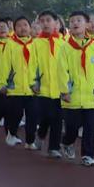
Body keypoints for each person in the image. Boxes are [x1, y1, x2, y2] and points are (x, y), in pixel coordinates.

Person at [58, 11, 94, 166]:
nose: (75, 23)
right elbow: (61, 71)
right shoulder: (65, 48)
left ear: (87, 24)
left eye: (79, 20)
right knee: (72, 128)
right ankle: (67, 142)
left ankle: (88, 155)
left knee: (90, 128)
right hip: (72, 96)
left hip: (90, 96)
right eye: (72, 21)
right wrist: (64, 91)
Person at [29, 10, 65, 158]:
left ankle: (54, 147)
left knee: (57, 118)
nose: (45, 23)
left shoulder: (64, 43)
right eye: (42, 21)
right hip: (42, 88)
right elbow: (32, 64)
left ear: (56, 23)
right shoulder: (36, 43)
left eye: (48, 20)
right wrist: (33, 82)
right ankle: (41, 134)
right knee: (46, 116)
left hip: (60, 89)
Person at [0, 16, 37, 148]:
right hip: (15, 87)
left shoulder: (35, 44)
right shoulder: (10, 44)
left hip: (32, 87)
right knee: (16, 114)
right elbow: (5, 65)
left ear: (30, 27)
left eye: (25, 25)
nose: (23, 28)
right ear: (14, 29)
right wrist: (2, 83)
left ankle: (30, 141)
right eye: (19, 25)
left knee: (32, 116)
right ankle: (12, 134)